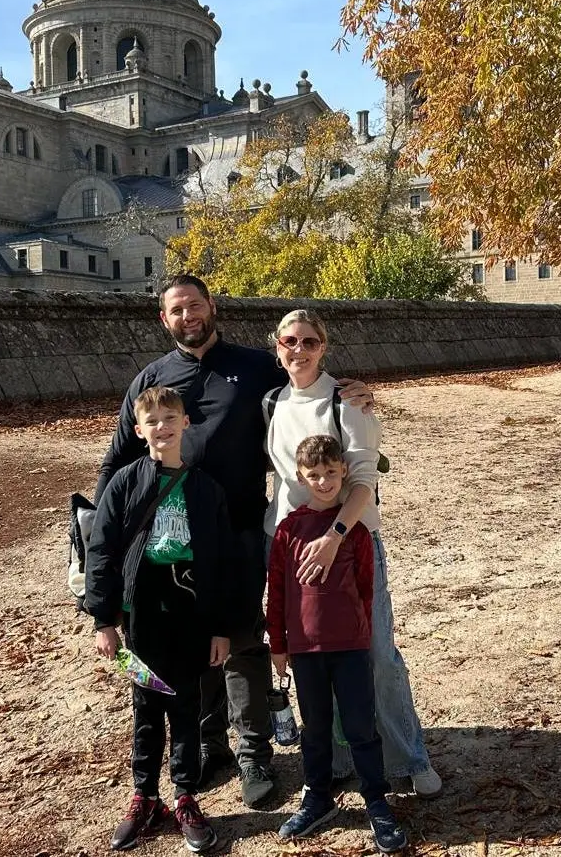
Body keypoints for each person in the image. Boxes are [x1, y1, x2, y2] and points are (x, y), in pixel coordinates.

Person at [95, 274, 373, 809]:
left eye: (195, 306)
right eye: (176, 310)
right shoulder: (151, 380)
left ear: (211, 307)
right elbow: (118, 462)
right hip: (172, 542)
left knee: (242, 641)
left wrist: (353, 391)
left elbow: (305, 381)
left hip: (242, 531)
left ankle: (253, 754)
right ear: (164, 319)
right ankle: (208, 745)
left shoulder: (253, 366)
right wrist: (93, 547)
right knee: (187, 643)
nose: (188, 317)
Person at [263, 309, 442, 798]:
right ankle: (342, 759)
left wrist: (335, 536)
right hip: (297, 542)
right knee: (320, 657)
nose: (298, 350)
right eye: (289, 341)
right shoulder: (272, 400)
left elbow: (364, 480)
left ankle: (408, 756)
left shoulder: (347, 402)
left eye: (309, 342)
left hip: (347, 541)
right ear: (276, 346)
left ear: (324, 347)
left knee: (377, 652)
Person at [87, 387, 237, 853]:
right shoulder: (126, 483)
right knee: (147, 708)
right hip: (140, 617)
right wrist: (103, 619)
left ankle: (186, 794)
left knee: (188, 707)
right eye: (152, 421)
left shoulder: (206, 488)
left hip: (191, 614)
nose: (162, 427)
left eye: (171, 418)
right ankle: (145, 795)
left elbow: (222, 562)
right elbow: (102, 550)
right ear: (139, 430)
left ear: (185, 423)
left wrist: (221, 627)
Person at [267, 435, 408, 853]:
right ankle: (318, 795)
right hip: (306, 651)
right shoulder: (288, 531)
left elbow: (367, 587)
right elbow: (277, 592)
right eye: (314, 475)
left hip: (350, 647)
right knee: (316, 729)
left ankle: (377, 800)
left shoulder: (356, 530)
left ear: (343, 471)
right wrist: (279, 643)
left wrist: (361, 633)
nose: (324, 482)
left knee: (361, 726)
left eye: (331, 473)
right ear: (300, 477)